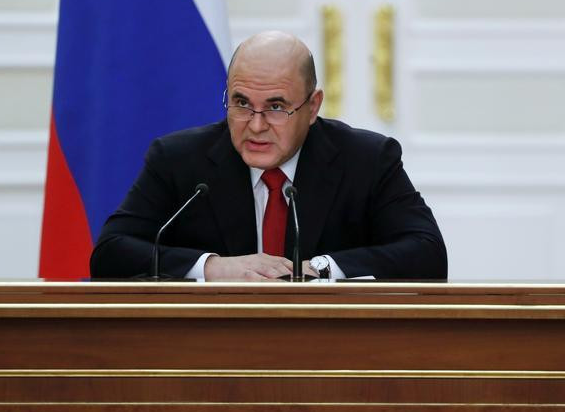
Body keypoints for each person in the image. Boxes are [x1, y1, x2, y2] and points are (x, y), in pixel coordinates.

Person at [91, 31, 446, 280]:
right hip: (214, 348)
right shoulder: (178, 159)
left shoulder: (367, 160)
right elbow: (111, 252)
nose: (256, 125)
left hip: (329, 347)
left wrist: (319, 269)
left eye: (276, 107)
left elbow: (427, 253)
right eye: (241, 103)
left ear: (313, 107)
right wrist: (214, 267)